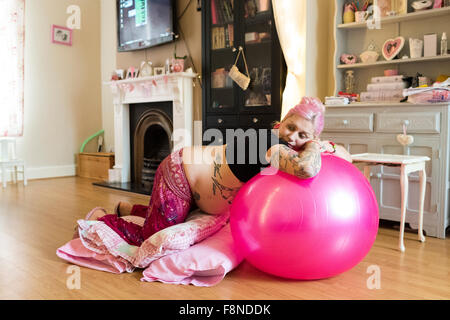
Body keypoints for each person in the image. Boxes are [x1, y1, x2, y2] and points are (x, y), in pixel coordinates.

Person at [82, 97, 352, 246]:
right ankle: (99, 220)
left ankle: (130, 209)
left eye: (302, 134)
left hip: (194, 187)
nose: (293, 136)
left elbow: (344, 156)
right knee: (150, 239)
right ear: (279, 124)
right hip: (180, 174)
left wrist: (325, 145)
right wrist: (315, 143)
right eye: (290, 127)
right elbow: (306, 168)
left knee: (177, 216)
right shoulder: (274, 145)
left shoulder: (284, 148)